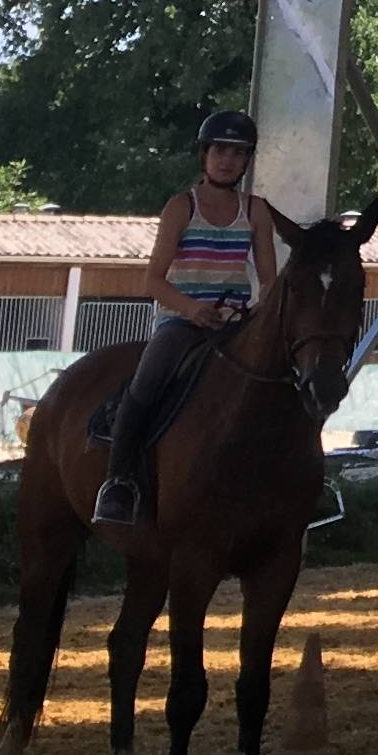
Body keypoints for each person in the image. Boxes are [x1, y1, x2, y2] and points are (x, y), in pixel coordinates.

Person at [91, 109, 273, 527]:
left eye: (237, 153)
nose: (227, 160)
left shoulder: (257, 211)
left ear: (247, 161)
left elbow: (268, 279)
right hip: (181, 323)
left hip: (234, 324)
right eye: (220, 151)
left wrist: (257, 310)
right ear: (204, 155)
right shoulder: (181, 207)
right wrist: (192, 309)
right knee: (146, 384)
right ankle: (119, 483)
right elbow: (153, 280)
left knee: (285, 380)